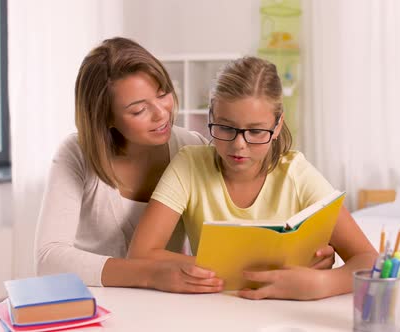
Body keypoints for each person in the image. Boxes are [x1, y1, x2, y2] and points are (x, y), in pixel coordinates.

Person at [34, 37, 337, 292]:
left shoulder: (190, 148)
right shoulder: (76, 154)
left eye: (163, 93)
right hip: (90, 298)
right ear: (106, 117)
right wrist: (148, 274)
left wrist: (298, 260)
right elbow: (49, 258)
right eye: (139, 109)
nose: (162, 114)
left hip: (164, 300)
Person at [128, 56, 378, 300]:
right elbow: (140, 254)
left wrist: (323, 283)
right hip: (210, 309)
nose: (239, 145)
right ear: (211, 116)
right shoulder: (189, 165)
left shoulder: (297, 175)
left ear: (278, 125)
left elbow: (370, 260)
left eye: (256, 131)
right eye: (225, 128)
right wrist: (253, 273)